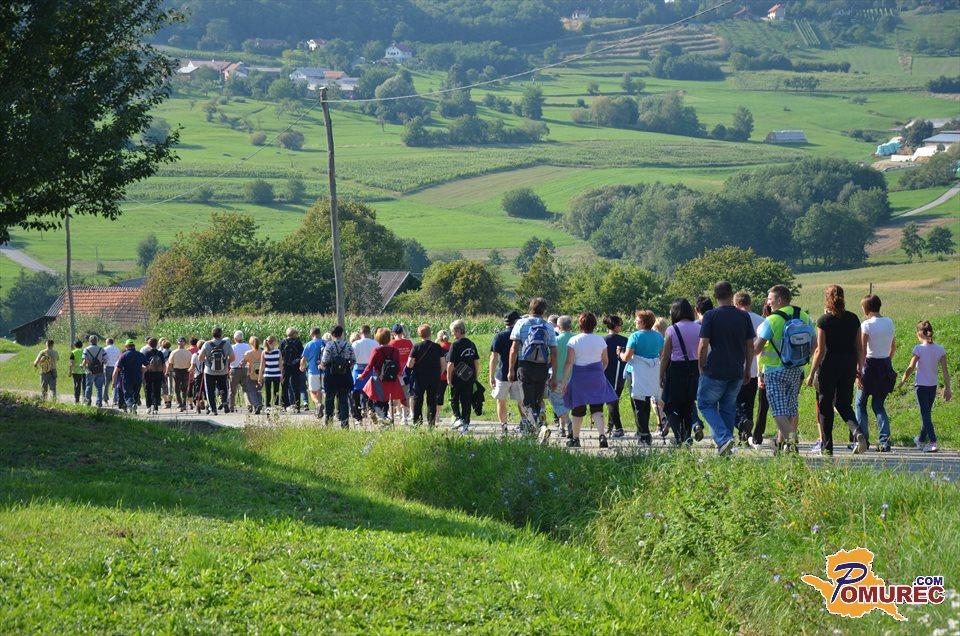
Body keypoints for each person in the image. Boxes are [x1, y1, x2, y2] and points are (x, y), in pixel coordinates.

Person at [697, 282, 756, 456]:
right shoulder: (743, 316)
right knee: (728, 407)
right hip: (737, 369)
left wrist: (701, 364)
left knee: (705, 403)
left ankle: (724, 438)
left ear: (715, 296)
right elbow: (750, 346)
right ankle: (726, 448)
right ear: (732, 294)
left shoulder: (710, 315)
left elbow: (703, 344)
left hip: (715, 369)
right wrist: (747, 368)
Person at [807, 285, 866, 456]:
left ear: (827, 299)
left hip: (829, 365)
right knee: (843, 403)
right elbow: (859, 347)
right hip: (849, 364)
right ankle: (857, 432)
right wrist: (860, 369)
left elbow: (820, 350)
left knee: (825, 406)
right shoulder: (853, 318)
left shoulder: (823, 321)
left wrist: (811, 373)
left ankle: (827, 448)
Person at [755, 285, 815, 455]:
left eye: (770, 299)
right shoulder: (803, 316)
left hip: (774, 371)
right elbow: (815, 343)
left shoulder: (772, 320)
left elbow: (757, 348)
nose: (768, 302)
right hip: (796, 369)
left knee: (778, 411)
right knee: (790, 408)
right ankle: (780, 445)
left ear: (779, 300)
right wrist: (804, 359)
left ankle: (792, 443)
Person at [561, 312, 619, 448]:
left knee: (578, 409)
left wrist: (564, 381)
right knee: (597, 408)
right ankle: (602, 436)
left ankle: (575, 439)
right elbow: (605, 361)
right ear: (594, 324)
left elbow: (569, 362)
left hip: (579, 378)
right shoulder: (600, 340)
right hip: (597, 376)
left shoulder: (574, 340)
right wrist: (598, 372)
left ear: (580, 324)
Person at [509, 297, 559, 445]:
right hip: (542, 368)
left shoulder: (521, 323)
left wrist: (511, 370)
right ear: (543, 311)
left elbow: (514, 349)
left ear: (530, 308)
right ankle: (536, 434)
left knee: (527, 403)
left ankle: (540, 428)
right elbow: (554, 353)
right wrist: (554, 376)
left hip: (525, 366)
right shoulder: (548, 326)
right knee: (537, 401)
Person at [900, 320, 952, 453]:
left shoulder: (918, 349)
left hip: (921, 387)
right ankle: (921, 440)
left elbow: (910, 367)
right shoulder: (940, 349)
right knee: (927, 413)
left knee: (925, 415)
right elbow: (945, 371)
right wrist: (948, 388)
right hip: (932, 386)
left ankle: (933, 442)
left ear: (919, 333)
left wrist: (902, 381)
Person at [856, 295, 896, 452]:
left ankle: (863, 440)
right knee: (878, 405)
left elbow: (862, 350)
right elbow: (893, 346)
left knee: (860, 403)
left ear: (866, 308)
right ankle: (884, 441)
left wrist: (858, 372)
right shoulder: (889, 322)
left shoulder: (866, 325)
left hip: (869, 365)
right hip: (885, 365)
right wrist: (887, 360)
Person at [659, 299, 701, 446]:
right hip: (694, 368)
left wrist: (661, 375)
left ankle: (678, 436)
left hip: (676, 369)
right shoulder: (698, 328)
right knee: (688, 404)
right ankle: (687, 435)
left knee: (671, 405)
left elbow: (665, 357)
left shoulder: (672, 330)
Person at [618, 310, 663, 446]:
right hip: (652, 372)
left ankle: (644, 434)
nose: (635, 322)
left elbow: (627, 357)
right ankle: (643, 431)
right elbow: (661, 354)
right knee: (647, 402)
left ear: (643, 323)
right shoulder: (658, 336)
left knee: (638, 404)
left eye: (637, 320)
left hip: (636, 372)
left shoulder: (635, 336)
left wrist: (619, 353)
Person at [733, 292, 765, 445]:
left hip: (737, 366)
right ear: (750, 303)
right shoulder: (762, 321)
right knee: (749, 402)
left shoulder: (734, 320)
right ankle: (746, 434)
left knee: (734, 401)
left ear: (736, 304)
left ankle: (742, 424)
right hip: (755, 368)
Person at [357, 328, 406, 423]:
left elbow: (370, 366)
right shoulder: (395, 350)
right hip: (391, 379)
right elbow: (398, 366)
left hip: (378, 378)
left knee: (377, 400)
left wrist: (362, 376)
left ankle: (381, 417)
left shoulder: (377, 350)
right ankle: (384, 416)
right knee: (386, 399)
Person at [490, 311, 524, 435]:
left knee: (501, 401)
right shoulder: (521, 336)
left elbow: (494, 357)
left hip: (502, 373)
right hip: (519, 374)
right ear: (516, 321)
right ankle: (525, 424)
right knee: (522, 401)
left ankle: (504, 427)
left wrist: (491, 376)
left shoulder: (499, 336)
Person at [407, 324, 444, 427]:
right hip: (434, 377)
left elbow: (409, 364)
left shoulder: (416, 346)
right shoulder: (437, 347)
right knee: (432, 400)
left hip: (419, 377)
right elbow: (443, 364)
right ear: (430, 333)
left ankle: (417, 422)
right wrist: (439, 373)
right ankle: (431, 423)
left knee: (418, 400)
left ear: (419, 334)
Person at [447, 319, 480, 432]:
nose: (452, 334)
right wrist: (476, 375)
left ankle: (458, 418)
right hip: (469, 376)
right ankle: (466, 423)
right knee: (467, 400)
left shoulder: (455, 345)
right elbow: (476, 361)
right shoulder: (471, 344)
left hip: (457, 377)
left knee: (454, 399)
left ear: (457, 331)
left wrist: (448, 379)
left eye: (453, 331)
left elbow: (450, 364)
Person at [320, 325, 356, 428]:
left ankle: (329, 423)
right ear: (342, 333)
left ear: (332, 334)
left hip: (331, 376)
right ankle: (345, 424)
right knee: (343, 401)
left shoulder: (329, 345)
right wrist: (347, 366)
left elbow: (324, 360)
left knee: (329, 399)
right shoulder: (348, 345)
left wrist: (322, 365)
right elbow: (353, 359)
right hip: (344, 375)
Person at [750, 304, 773, 449]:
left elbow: (758, 353)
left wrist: (759, 375)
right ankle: (788, 439)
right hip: (787, 370)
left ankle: (757, 437)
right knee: (788, 408)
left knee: (763, 407)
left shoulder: (765, 327)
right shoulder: (784, 324)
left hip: (767, 370)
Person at [198, 326, 235, 416]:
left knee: (210, 390)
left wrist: (207, 361)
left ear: (212, 334)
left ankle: (213, 409)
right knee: (223, 387)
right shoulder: (226, 344)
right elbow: (233, 358)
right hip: (223, 370)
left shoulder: (207, 344)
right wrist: (225, 362)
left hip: (209, 371)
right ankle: (224, 401)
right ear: (221, 334)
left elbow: (200, 358)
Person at [602, 315, 628, 438]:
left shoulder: (603, 340)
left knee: (611, 402)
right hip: (620, 375)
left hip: (606, 374)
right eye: (620, 324)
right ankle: (611, 427)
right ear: (616, 326)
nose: (621, 327)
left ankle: (618, 428)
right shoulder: (625, 340)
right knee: (613, 401)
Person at [551, 315, 574, 439]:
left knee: (557, 401)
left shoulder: (556, 340)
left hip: (558, 376)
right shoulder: (576, 339)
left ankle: (569, 423)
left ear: (558, 326)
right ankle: (562, 427)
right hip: (574, 377)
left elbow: (550, 358)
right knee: (566, 403)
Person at [350, 325, 377, 425]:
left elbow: (352, 358)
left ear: (360, 333)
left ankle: (358, 417)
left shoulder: (355, 344)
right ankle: (371, 409)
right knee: (371, 392)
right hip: (370, 370)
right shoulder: (375, 343)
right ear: (369, 332)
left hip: (358, 369)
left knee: (356, 393)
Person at [113, 340, 146, 413]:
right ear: (134, 346)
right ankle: (134, 406)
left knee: (127, 394)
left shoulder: (123, 355)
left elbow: (116, 370)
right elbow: (147, 366)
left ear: (126, 346)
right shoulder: (140, 354)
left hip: (126, 378)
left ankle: (131, 405)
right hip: (138, 377)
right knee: (136, 393)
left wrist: (114, 382)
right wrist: (142, 374)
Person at [391, 324, 414, 424]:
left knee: (393, 395)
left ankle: (394, 414)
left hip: (395, 372)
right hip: (407, 371)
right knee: (405, 395)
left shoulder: (392, 343)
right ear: (402, 332)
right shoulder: (409, 343)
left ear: (393, 333)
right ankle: (404, 417)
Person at [301, 328, 326, 417]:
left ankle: (318, 404)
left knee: (312, 392)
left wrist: (302, 367)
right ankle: (318, 411)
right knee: (320, 391)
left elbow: (304, 359)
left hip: (312, 371)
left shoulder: (309, 344)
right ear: (320, 333)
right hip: (323, 371)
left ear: (312, 334)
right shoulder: (325, 343)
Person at [279, 327, 304, 412]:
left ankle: (285, 405)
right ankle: (297, 406)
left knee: (284, 386)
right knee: (296, 386)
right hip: (295, 366)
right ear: (293, 334)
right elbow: (301, 354)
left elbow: (280, 354)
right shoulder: (298, 342)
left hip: (285, 366)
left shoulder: (283, 342)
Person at [80, 335, 107, 407]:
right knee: (99, 388)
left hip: (90, 371)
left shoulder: (86, 349)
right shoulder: (101, 349)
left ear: (89, 341)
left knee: (89, 386)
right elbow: (105, 360)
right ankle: (99, 403)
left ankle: (87, 402)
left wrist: (82, 365)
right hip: (99, 370)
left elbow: (85, 360)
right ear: (97, 341)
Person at [167, 337, 193, 412]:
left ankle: (179, 403)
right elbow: (191, 363)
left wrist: (167, 372)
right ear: (185, 343)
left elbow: (170, 363)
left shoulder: (174, 352)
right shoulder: (188, 353)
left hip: (176, 371)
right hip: (185, 371)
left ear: (177, 342)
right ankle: (184, 403)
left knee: (177, 388)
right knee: (184, 388)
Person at [142, 337, 166, 414]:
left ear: (149, 344)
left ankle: (148, 407)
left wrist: (143, 373)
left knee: (148, 390)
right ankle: (156, 408)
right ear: (157, 344)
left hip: (149, 374)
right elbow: (163, 365)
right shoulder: (160, 353)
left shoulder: (146, 353)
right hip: (158, 374)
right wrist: (163, 373)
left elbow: (144, 365)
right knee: (157, 390)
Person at [228, 331, 251, 413]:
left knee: (232, 390)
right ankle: (249, 404)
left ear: (235, 339)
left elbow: (230, 358)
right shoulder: (248, 346)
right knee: (246, 389)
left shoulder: (232, 347)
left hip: (235, 369)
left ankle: (231, 406)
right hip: (245, 369)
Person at [241, 336, 263, 415]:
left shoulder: (248, 353)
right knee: (258, 390)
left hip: (251, 374)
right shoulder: (263, 352)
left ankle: (256, 405)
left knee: (251, 390)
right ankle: (259, 403)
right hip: (261, 374)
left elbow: (242, 364)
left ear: (250, 343)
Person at [259, 336, 283, 411]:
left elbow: (262, 366)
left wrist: (260, 376)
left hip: (267, 374)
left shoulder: (264, 352)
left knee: (268, 392)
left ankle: (268, 407)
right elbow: (280, 365)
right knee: (276, 391)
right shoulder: (278, 351)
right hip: (276, 374)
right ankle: (276, 406)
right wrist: (281, 375)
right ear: (274, 342)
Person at [436, 330, 452, 420]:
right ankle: (455, 415)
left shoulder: (438, 347)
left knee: (439, 395)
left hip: (442, 375)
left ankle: (437, 415)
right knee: (454, 396)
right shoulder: (453, 345)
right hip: (453, 374)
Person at [188, 340, 206, 412]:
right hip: (206, 375)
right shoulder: (207, 354)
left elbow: (192, 367)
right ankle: (207, 405)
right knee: (206, 390)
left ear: (198, 346)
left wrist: (189, 370)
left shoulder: (195, 355)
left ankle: (198, 405)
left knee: (198, 391)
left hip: (197, 375)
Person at [103, 337, 120, 405]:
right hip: (116, 367)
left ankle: (105, 399)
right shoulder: (117, 349)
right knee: (115, 383)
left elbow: (103, 359)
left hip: (107, 367)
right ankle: (115, 399)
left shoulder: (105, 349)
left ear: (107, 342)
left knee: (106, 384)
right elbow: (119, 359)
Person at [68, 339, 85, 404]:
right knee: (85, 386)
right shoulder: (84, 351)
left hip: (76, 371)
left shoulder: (73, 352)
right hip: (84, 371)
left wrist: (70, 372)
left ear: (75, 345)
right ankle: (85, 399)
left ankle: (77, 400)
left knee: (77, 386)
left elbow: (71, 363)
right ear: (82, 345)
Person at [158, 338, 173, 409]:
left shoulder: (161, 352)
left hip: (163, 370)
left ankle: (166, 402)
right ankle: (170, 401)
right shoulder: (172, 351)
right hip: (172, 370)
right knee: (170, 386)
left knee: (164, 386)